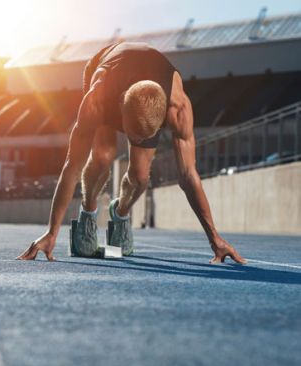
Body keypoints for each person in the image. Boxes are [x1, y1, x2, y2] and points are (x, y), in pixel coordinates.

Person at [17, 42, 245, 264]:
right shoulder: (98, 99)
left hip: (147, 86)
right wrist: (52, 232)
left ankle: (121, 211)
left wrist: (214, 238)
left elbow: (188, 175)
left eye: (141, 138)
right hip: (107, 69)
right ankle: (88, 212)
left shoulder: (178, 108)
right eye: (131, 133)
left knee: (141, 176)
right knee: (103, 157)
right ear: (120, 107)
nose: (133, 142)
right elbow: (72, 166)